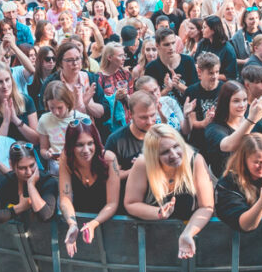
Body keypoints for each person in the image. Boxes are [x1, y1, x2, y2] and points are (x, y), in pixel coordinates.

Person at [123, 124, 214, 258]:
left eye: (176, 146)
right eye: (165, 152)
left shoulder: (195, 160)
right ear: (153, 156)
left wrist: (188, 233)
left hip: (190, 244)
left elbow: (206, 206)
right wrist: (158, 213)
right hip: (153, 243)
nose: (174, 154)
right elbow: (131, 203)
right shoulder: (143, 164)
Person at [58, 119, 119, 257]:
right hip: (81, 219)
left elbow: (113, 203)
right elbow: (65, 198)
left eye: (90, 143)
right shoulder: (66, 159)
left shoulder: (109, 159)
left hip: (109, 220)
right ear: (71, 146)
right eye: (79, 145)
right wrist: (72, 223)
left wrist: (94, 223)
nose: (86, 150)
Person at [0, 143, 59, 224]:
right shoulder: (8, 180)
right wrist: (20, 207)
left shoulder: (48, 181)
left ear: (36, 162)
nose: (28, 172)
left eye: (32, 165)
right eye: (22, 168)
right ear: (12, 166)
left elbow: (45, 214)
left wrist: (31, 186)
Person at [105, 91, 159, 179]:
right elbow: (111, 176)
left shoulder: (160, 135)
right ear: (131, 114)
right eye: (143, 117)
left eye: (152, 115)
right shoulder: (116, 141)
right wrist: (137, 168)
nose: (149, 122)